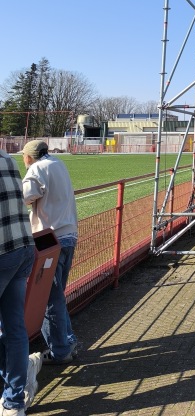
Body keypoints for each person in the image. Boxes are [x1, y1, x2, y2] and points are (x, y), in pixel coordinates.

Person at [21, 140, 79, 365]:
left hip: (49, 240)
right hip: (68, 236)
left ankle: (60, 349)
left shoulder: (37, 169)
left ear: (29, 156)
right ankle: (67, 340)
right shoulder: (59, 164)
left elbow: (24, 197)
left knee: (47, 297)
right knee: (56, 296)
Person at [0, 147, 38, 415]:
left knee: (11, 328)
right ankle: (14, 399)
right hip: (22, 247)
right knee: (13, 327)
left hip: (4, 252)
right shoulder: (6, 157)